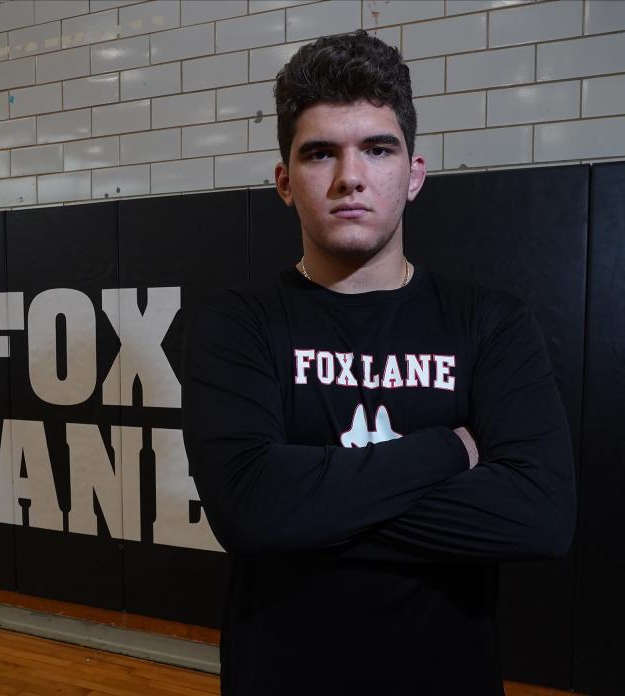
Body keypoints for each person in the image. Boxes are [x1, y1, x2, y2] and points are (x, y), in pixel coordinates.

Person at [181, 30, 576, 696]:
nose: (349, 177)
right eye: (319, 153)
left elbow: (537, 515)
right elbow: (248, 510)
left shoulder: (488, 323)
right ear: (283, 181)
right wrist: (447, 451)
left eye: (377, 148)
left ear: (412, 174)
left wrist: (306, 506)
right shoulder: (237, 324)